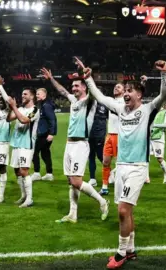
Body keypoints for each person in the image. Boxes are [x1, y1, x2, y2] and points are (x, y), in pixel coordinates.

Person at [80, 58, 166, 269]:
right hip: (120, 167)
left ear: (139, 94)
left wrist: (164, 73)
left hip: (138, 167)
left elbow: (164, 95)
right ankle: (131, 250)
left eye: (130, 90)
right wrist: (89, 79)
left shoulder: (147, 110)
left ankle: (120, 253)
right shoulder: (120, 110)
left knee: (121, 211)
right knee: (127, 211)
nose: (126, 93)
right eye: (125, 90)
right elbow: (101, 98)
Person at [40, 66, 109, 223]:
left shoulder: (90, 101)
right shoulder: (73, 100)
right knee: (70, 181)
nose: (74, 88)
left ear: (84, 87)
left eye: (77, 86)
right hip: (69, 144)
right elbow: (63, 91)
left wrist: (87, 74)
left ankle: (103, 202)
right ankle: (73, 214)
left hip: (81, 144)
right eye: (73, 86)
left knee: (76, 181)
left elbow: (93, 91)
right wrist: (51, 79)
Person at [1, 86, 40, 208]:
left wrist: (13, 107)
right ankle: (23, 195)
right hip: (17, 144)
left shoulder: (35, 110)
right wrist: (9, 107)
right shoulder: (21, 108)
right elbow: (8, 119)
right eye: (22, 94)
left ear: (32, 96)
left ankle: (29, 199)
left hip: (26, 144)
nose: (22, 96)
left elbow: (23, 120)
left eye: (25, 94)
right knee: (17, 170)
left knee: (24, 171)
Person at [101, 83, 125, 195]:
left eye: (119, 87)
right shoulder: (110, 100)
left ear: (124, 91)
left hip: (120, 135)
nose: (115, 87)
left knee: (121, 163)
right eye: (115, 86)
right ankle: (104, 186)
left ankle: (123, 187)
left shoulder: (125, 101)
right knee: (105, 162)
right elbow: (99, 96)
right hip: (109, 135)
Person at [31, 88, 57, 182]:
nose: (36, 95)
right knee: (45, 153)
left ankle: (36, 173)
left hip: (44, 134)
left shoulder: (46, 106)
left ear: (44, 95)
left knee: (34, 152)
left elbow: (52, 119)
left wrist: (51, 133)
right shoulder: (42, 105)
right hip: (44, 133)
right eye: (36, 94)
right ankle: (49, 174)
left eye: (38, 94)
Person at [88, 101, 109, 187]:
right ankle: (92, 179)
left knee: (101, 156)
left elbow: (108, 119)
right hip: (89, 134)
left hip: (99, 135)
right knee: (91, 156)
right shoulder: (88, 104)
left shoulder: (104, 105)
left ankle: (110, 172)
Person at [149, 103, 166, 184]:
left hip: (159, 137)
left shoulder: (165, 112)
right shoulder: (152, 112)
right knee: (145, 158)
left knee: (159, 158)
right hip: (149, 137)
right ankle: (146, 177)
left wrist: (154, 125)